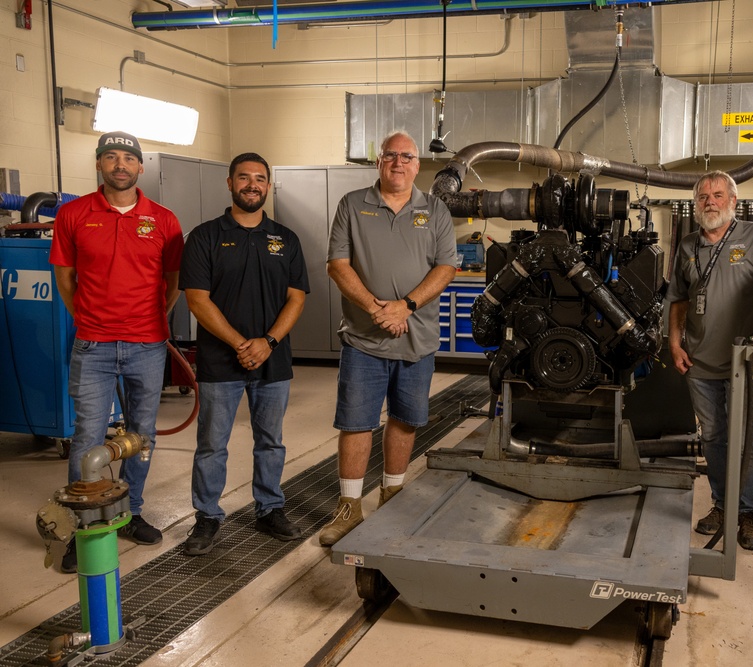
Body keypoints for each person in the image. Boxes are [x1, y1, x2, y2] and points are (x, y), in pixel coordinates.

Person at [50, 131, 184, 573]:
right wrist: (90, 319)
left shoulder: (163, 220)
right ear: (99, 165)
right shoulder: (72, 214)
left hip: (147, 345)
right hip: (93, 344)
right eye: (111, 157)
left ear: (140, 167)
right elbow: (65, 279)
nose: (120, 165)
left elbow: (173, 283)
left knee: (142, 433)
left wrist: (149, 323)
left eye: (129, 158)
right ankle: (81, 525)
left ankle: (131, 512)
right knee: (88, 433)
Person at [318, 131, 457, 546]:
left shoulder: (435, 210)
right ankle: (348, 508)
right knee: (356, 422)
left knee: (405, 419)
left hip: (417, 339)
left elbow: (446, 267)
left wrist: (406, 306)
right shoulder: (353, 205)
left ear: (418, 165)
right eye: (390, 155)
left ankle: (392, 493)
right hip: (363, 339)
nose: (398, 162)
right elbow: (337, 264)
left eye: (407, 156)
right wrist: (378, 309)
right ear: (379, 162)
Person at [179, 153, 309, 556]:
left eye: (260, 178)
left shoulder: (285, 238)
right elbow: (197, 301)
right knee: (212, 443)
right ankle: (207, 517)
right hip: (220, 362)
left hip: (274, 360)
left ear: (268, 186)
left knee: (271, 441)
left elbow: (296, 297)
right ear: (230, 182)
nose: (252, 184)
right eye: (244, 178)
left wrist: (267, 342)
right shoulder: (204, 236)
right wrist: (240, 343)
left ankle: (269, 507)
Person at [667, 170, 753, 551]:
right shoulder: (687, 245)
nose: (710, 202)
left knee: (746, 436)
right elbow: (679, 300)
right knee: (714, 435)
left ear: (733, 201)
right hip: (699, 359)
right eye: (703, 196)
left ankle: (748, 512)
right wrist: (675, 342)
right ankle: (722, 504)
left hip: (744, 359)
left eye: (718, 195)